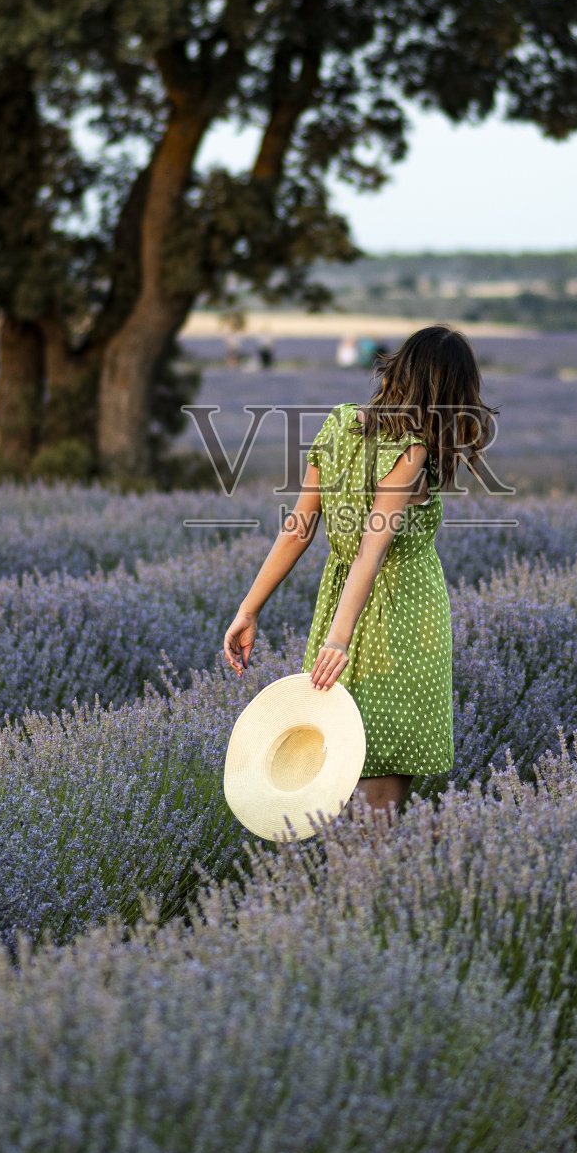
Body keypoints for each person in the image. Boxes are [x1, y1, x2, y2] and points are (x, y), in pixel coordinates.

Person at [223, 325, 494, 816]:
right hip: (402, 617)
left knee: (335, 762)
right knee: (381, 774)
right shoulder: (412, 450)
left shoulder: (340, 422)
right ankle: (372, 881)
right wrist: (338, 641)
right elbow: (373, 551)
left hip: (338, 602)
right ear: (450, 392)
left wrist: (248, 609)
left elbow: (298, 527)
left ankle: (353, 882)